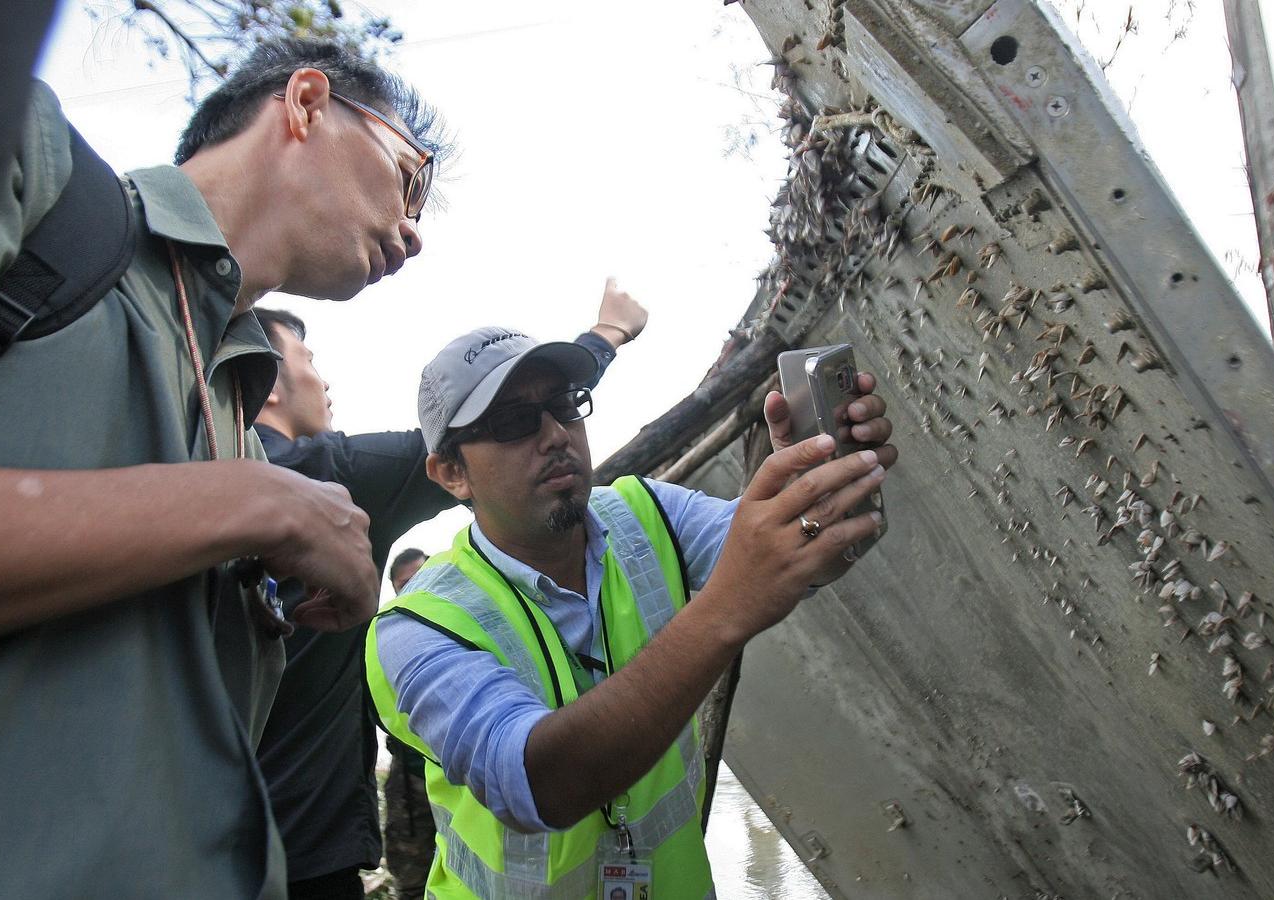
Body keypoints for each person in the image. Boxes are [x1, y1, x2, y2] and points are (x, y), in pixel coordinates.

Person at [0, 39, 447, 898]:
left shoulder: (240, 415)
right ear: (305, 102)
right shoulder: (28, 167)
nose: (414, 233)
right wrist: (252, 506)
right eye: (411, 179)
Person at [366, 327, 898, 897]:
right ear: (451, 472)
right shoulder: (416, 629)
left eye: (564, 405)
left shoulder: (647, 512)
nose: (554, 435)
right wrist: (725, 610)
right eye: (513, 422)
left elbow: (796, 559)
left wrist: (812, 490)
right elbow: (539, 783)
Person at [250, 284, 646, 900]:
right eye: (308, 361)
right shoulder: (332, 477)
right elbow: (485, 437)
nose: (322, 382)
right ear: (269, 382)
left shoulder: (202, 489)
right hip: (300, 844)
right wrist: (608, 335)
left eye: (566, 408)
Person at [382, 549, 440, 900]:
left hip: (465, 781)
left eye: (421, 576)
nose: (413, 588)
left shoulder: (467, 619)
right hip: (410, 780)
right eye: (404, 584)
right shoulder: (384, 634)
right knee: (412, 882)